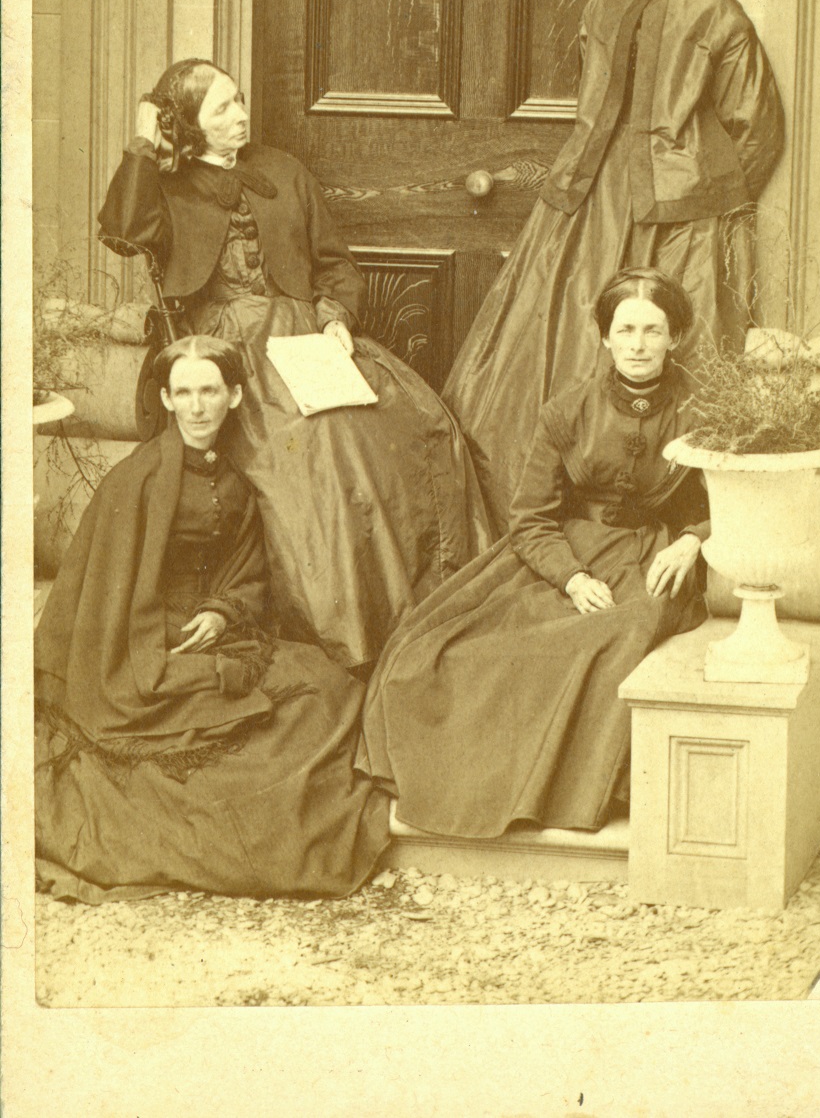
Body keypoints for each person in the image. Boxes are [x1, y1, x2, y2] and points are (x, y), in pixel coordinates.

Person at [98, 61, 489, 670]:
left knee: (411, 423)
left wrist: (335, 317)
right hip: (228, 348)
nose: (241, 115)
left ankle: (419, 609)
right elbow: (123, 231)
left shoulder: (284, 171)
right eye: (222, 108)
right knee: (313, 452)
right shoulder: (164, 187)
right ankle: (347, 635)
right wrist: (145, 141)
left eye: (240, 100)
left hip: (307, 335)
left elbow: (334, 262)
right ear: (190, 125)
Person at [443, 0, 785, 531]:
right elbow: (594, 107)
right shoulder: (602, 3)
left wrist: (699, 197)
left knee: (673, 358)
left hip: (682, 220)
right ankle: (532, 521)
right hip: (588, 203)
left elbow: (756, 130)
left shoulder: (715, 12)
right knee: (549, 345)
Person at [34, 336, 391, 904]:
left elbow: (247, 570)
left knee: (330, 687)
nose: (197, 407)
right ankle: (263, 829)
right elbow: (110, 592)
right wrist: (158, 651)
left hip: (215, 629)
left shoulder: (233, 477)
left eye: (209, 391)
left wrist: (221, 612)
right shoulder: (137, 480)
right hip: (145, 641)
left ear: (234, 396)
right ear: (166, 400)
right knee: (250, 728)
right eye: (183, 393)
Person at [358, 269, 710, 839]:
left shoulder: (703, 412)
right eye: (626, 330)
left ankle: (565, 794)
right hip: (565, 555)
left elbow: (732, 498)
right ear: (605, 337)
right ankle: (475, 786)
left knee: (613, 637)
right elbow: (531, 519)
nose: (639, 345)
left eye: (653, 330)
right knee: (448, 653)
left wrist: (694, 538)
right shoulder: (566, 412)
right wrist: (572, 578)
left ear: (674, 337)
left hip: (655, 558)